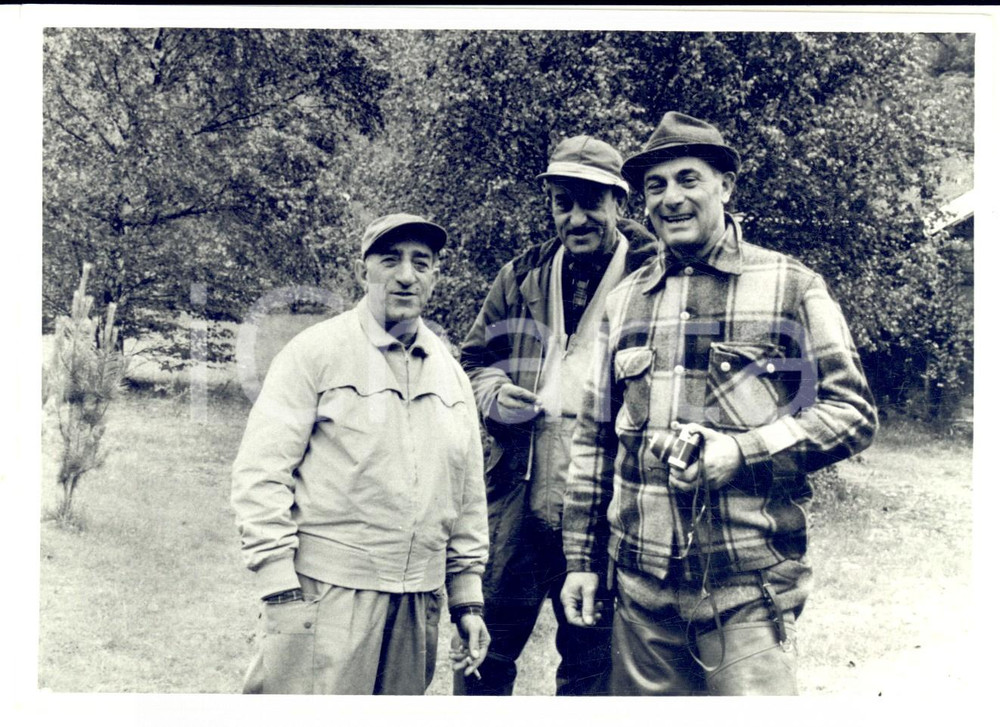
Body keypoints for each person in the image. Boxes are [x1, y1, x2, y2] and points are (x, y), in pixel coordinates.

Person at [560, 111, 879, 696]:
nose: (671, 198)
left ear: (725, 186)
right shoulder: (624, 301)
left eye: (689, 179)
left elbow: (852, 413)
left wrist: (742, 451)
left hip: (747, 591)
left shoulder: (791, 285)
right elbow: (593, 443)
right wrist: (581, 561)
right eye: (655, 186)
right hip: (641, 593)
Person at [231, 213, 490, 695]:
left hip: (417, 603)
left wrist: (467, 599)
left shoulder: (451, 374)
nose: (406, 275)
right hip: (327, 595)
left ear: (435, 276)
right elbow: (260, 473)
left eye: (421, 263)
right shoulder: (314, 352)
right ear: (362, 271)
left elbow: (468, 494)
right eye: (390, 260)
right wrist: (278, 583)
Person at [456, 135, 660, 696]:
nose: (576, 218)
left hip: (605, 511)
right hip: (518, 504)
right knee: (483, 658)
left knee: (592, 671)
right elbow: (475, 360)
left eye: (591, 202)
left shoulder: (654, 276)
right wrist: (494, 394)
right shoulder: (521, 275)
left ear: (620, 202)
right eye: (562, 203)